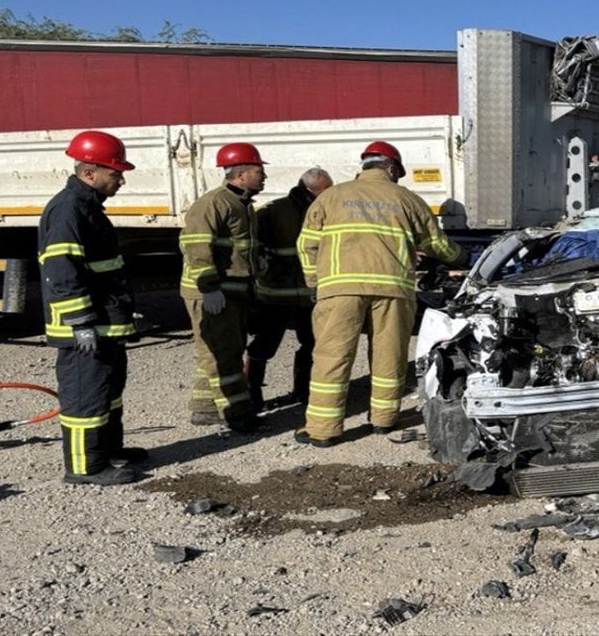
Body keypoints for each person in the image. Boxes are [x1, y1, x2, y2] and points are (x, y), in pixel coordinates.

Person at [295, 141, 467, 447]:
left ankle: (323, 429)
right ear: (390, 168)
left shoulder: (331, 197)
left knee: (332, 356)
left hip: (340, 288)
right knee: (390, 355)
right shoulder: (407, 199)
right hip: (393, 289)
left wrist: (314, 282)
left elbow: (306, 245)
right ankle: (384, 420)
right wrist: (460, 258)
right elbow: (437, 244)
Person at [38, 130, 146, 485]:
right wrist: (81, 321)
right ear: (89, 173)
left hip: (103, 324)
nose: (121, 180)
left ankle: (109, 450)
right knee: (86, 397)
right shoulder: (69, 209)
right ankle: (86, 467)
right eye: (115, 173)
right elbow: (62, 270)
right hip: (85, 329)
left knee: (108, 392)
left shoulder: (86, 207)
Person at [178, 142, 266, 432]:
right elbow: (197, 247)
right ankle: (237, 413)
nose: (263, 176)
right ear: (240, 175)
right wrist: (209, 288)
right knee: (225, 354)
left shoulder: (242, 204)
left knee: (214, 351)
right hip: (212, 292)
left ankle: (205, 408)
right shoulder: (214, 203)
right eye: (258, 170)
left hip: (231, 291)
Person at [247, 167, 334, 406]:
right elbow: (253, 244)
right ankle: (251, 394)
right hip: (276, 294)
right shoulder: (274, 211)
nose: (328, 196)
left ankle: (303, 392)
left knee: (312, 344)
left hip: (309, 294)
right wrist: (262, 269)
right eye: (324, 192)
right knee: (264, 346)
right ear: (309, 190)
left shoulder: (326, 211)